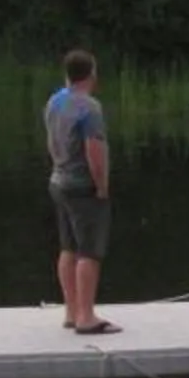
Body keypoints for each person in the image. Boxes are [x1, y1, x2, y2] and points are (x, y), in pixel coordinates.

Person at [45, 48, 116, 333]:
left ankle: (72, 312)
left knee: (68, 248)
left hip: (58, 181)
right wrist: (101, 186)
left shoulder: (55, 101)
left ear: (67, 74)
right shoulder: (89, 107)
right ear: (92, 73)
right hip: (82, 186)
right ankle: (87, 318)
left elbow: (51, 140)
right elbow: (94, 151)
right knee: (89, 251)